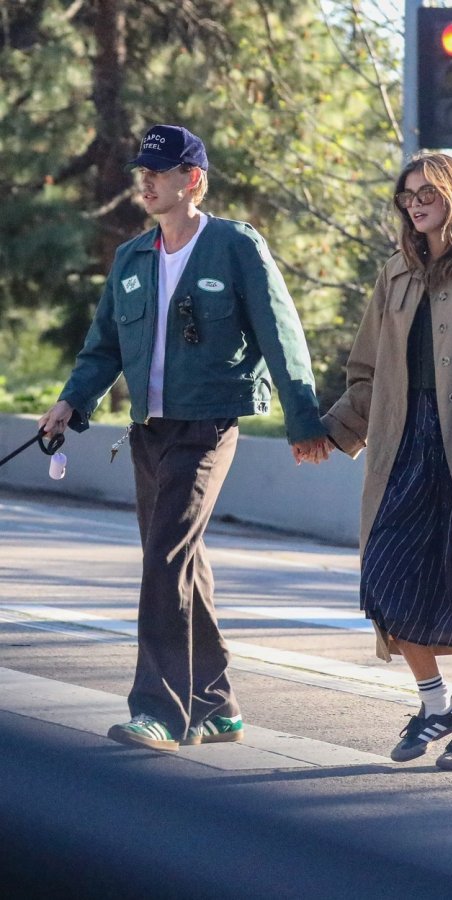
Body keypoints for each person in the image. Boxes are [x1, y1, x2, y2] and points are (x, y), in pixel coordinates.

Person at [39, 123, 330, 753]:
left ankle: (161, 710)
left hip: (208, 425)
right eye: (142, 169)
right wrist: (71, 402)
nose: (146, 179)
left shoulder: (235, 247)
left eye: (160, 170)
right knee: (181, 562)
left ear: (192, 180)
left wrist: (304, 423)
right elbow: (104, 348)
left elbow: (283, 337)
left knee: (164, 557)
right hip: (149, 429)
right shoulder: (132, 258)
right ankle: (217, 704)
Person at [299, 152, 452, 770]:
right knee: (382, 575)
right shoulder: (395, 274)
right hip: (401, 443)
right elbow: (368, 373)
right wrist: (329, 432)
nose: (416, 202)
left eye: (427, 191)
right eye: (407, 195)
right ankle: (437, 705)